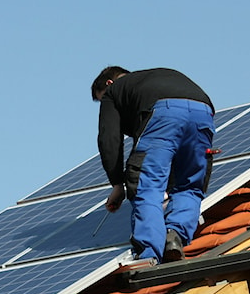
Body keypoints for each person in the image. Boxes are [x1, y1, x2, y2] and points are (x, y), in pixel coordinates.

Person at [91, 66, 215, 263]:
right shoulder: (155, 78)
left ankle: (149, 253)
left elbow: (110, 139)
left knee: (146, 186)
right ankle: (174, 235)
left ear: (109, 83)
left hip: (163, 114)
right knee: (190, 185)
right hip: (204, 112)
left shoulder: (114, 91)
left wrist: (117, 183)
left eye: (102, 98)